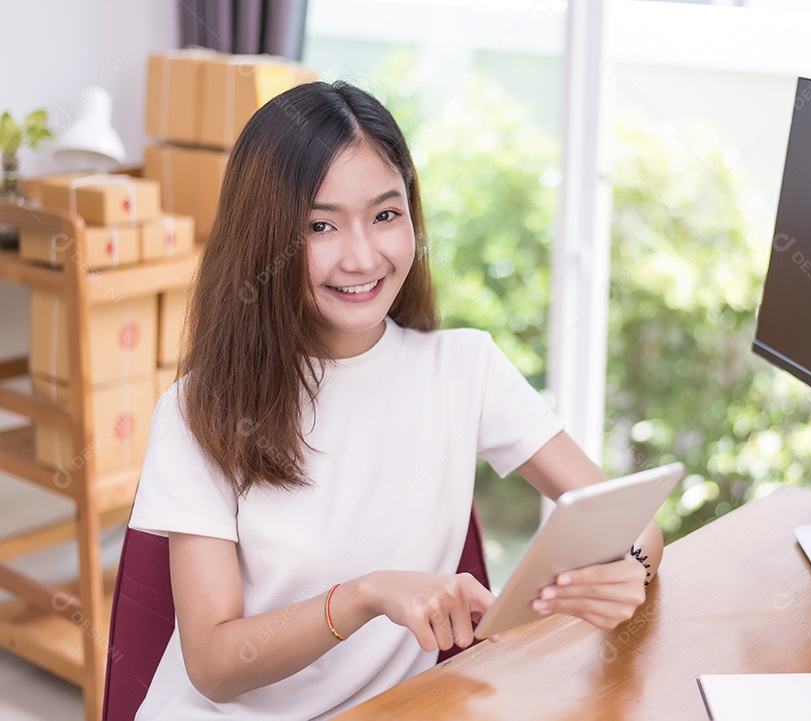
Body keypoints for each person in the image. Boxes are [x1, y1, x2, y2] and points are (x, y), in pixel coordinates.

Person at [128, 80, 664, 720]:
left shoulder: (464, 368)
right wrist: (362, 597)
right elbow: (214, 667)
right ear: (263, 238)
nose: (363, 256)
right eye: (320, 225)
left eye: (385, 215)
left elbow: (629, 518)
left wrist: (632, 567)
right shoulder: (199, 410)